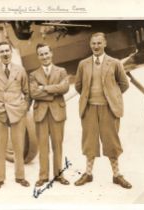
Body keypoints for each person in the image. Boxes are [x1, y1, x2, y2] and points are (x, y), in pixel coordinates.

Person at [74, 32, 132, 189]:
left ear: (105, 44)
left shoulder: (114, 63)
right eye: (93, 43)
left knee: (112, 143)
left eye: (99, 43)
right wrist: (90, 98)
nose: (96, 46)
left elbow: (124, 84)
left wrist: (112, 97)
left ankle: (116, 175)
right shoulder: (83, 64)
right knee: (89, 143)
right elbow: (78, 86)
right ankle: (88, 174)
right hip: (89, 109)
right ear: (90, 45)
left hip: (109, 109)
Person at [0, 41, 30, 190]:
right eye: (2, 51)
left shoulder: (20, 70)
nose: (5, 54)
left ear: (11, 52)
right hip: (0, 113)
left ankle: (20, 177)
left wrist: (24, 108)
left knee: (18, 147)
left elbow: (27, 92)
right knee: (0, 148)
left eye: (7, 51)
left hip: (17, 113)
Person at [29, 43, 70, 187]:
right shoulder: (33, 74)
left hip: (57, 113)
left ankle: (59, 175)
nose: (44, 57)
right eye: (41, 54)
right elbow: (33, 93)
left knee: (57, 145)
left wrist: (44, 89)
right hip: (41, 114)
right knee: (43, 146)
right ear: (38, 56)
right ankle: (43, 176)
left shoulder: (61, 71)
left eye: (46, 53)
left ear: (51, 53)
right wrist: (54, 92)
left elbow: (65, 88)